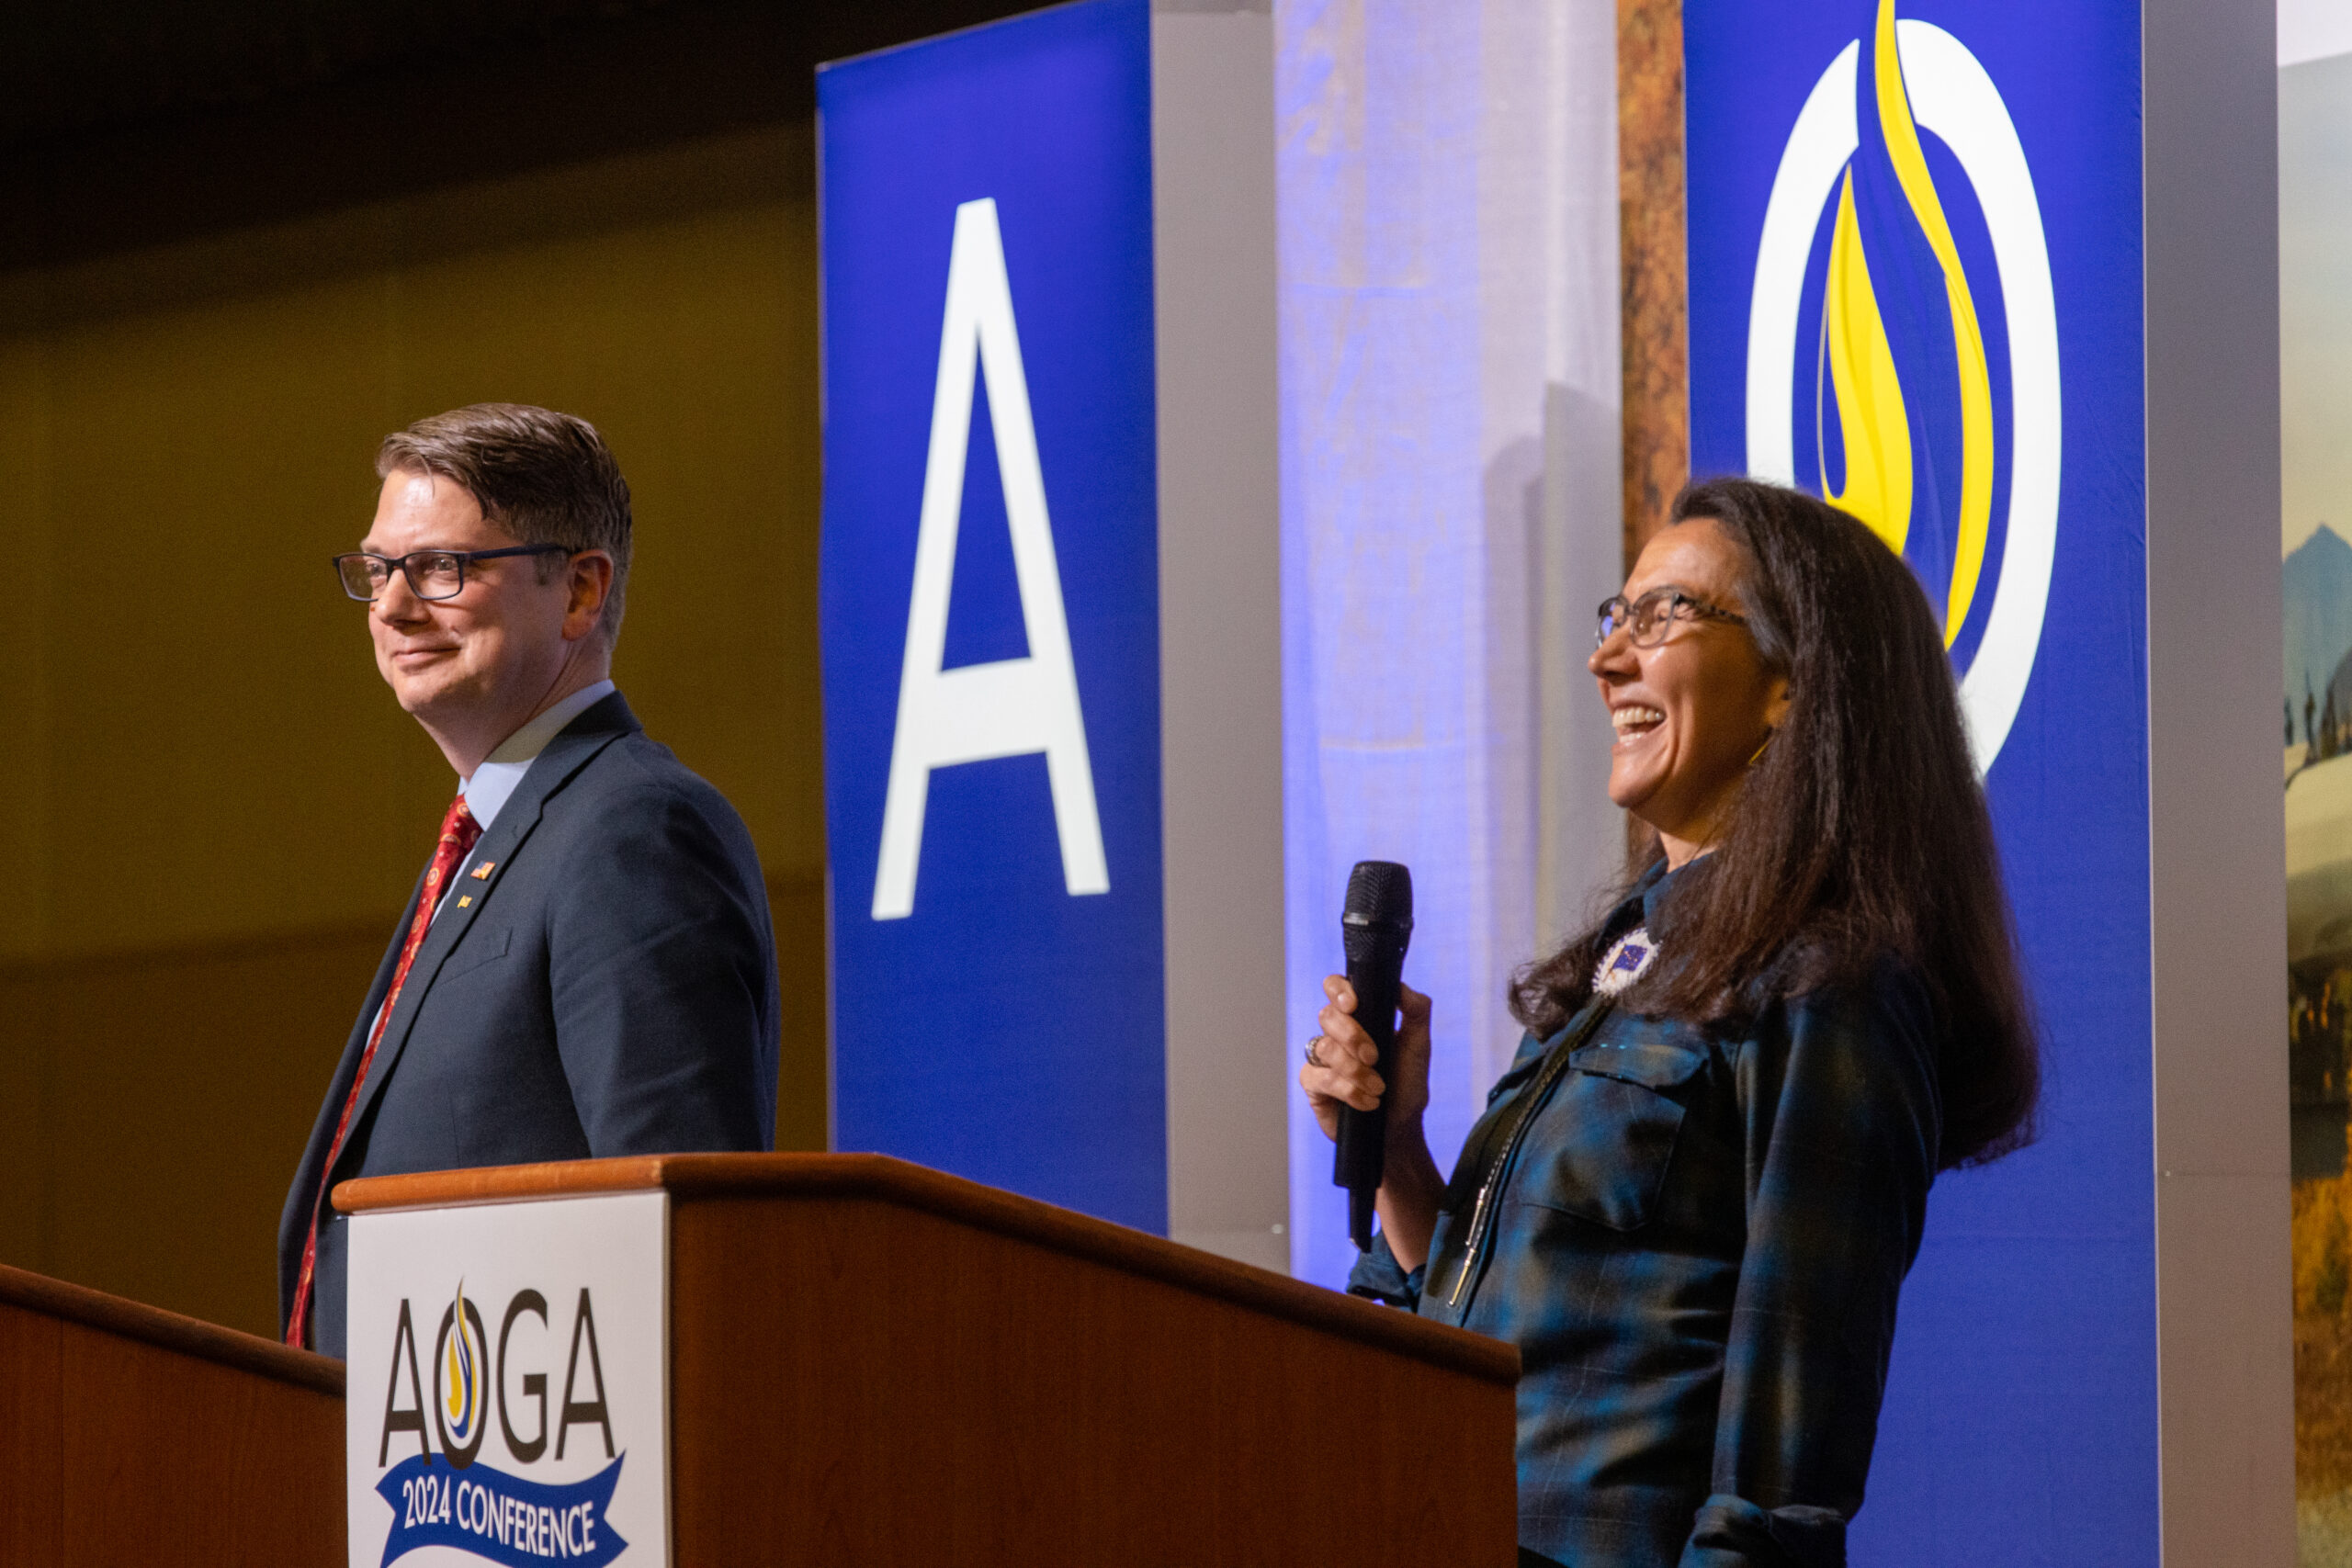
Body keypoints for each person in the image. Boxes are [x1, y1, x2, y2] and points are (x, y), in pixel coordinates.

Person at [1301, 478, 2039, 1568]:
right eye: (1618, 616)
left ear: (1792, 683)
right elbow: (1480, 1331)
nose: (1609, 661)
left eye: (1664, 616)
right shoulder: (1612, 971)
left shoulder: (1827, 991)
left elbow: (1778, 1495)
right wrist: (1399, 1152)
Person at [278, 403, 780, 1359]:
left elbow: (677, 1227)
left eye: (441, 568)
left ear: (580, 592)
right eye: (378, 570)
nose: (390, 608)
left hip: (545, 1490)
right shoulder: (489, 841)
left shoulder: (632, 827)